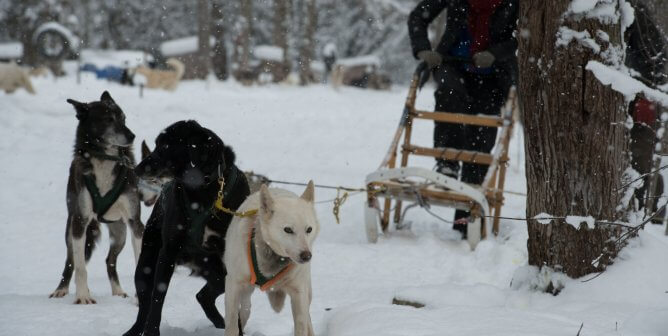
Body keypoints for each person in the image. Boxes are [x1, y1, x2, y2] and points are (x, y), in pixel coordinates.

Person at [408, 0, 518, 236]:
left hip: (492, 77)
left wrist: (494, 54)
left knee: (480, 143)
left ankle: (466, 221)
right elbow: (418, 16)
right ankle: (447, 163)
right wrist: (423, 49)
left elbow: (522, 37)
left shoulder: (514, 3)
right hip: (453, 65)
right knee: (449, 94)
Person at [625, 0, 666, 221]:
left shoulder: (635, 12)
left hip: (640, 98)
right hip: (624, 96)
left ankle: (652, 214)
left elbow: (656, 58)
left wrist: (641, 88)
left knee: (641, 159)